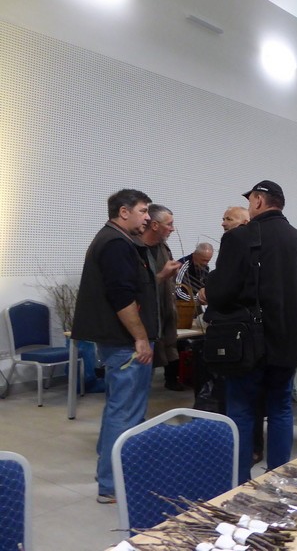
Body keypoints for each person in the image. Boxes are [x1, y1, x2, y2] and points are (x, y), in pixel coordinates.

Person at [72, 189, 177, 504]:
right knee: (126, 413)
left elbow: (136, 287)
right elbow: (122, 298)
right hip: (125, 344)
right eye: (143, 211)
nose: (147, 217)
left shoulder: (120, 241)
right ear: (123, 212)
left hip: (121, 342)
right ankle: (112, 485)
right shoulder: (116, 244)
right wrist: (141, 338)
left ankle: (110, 473)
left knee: (119, 409)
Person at [206, 180, 297, 483]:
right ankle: (277, 479)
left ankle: (239, 483)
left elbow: (223, 291)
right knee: (280, 409)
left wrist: (209, 290)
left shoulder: (239, 238)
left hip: (248, 343)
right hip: (289, 340)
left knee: (242, 410)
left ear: (257, 201)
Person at [139, 204, 184, 391]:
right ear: (155, 225)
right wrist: (162, 276)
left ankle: (171, 380)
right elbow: (136, 290)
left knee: (170, 347)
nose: (172, 229)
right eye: (169, 224)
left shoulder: (164, 248)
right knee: (138, 382)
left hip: (164, 317)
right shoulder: (135, 249)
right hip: (143, 324)